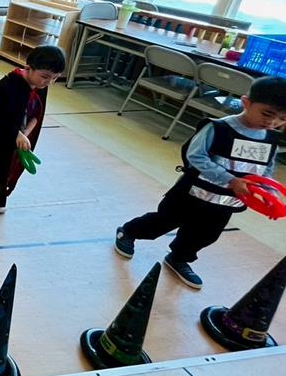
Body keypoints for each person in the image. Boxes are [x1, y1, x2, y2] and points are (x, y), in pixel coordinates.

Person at [115, 76, 286, 289]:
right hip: (190, 193)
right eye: (267, 114)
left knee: (205, 234)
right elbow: (195, 156)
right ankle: (128, 231)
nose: (272, 122)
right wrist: (231, 179)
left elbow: (265, 169)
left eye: (282, 119)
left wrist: (268, 191)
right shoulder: (219, 128)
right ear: (246, 102)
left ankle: (179, 258)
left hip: (226, 201)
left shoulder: (270, 138)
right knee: (164, 221)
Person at [0, 46, 65, 219]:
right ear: (29, 68)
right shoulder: (9, 85)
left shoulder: (40, 86)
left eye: (55, 78)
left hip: (14, 139)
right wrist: (16, 133)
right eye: (45, 76)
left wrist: (25, 134)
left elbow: (36, 115)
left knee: (5, 166)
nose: (49, 82)